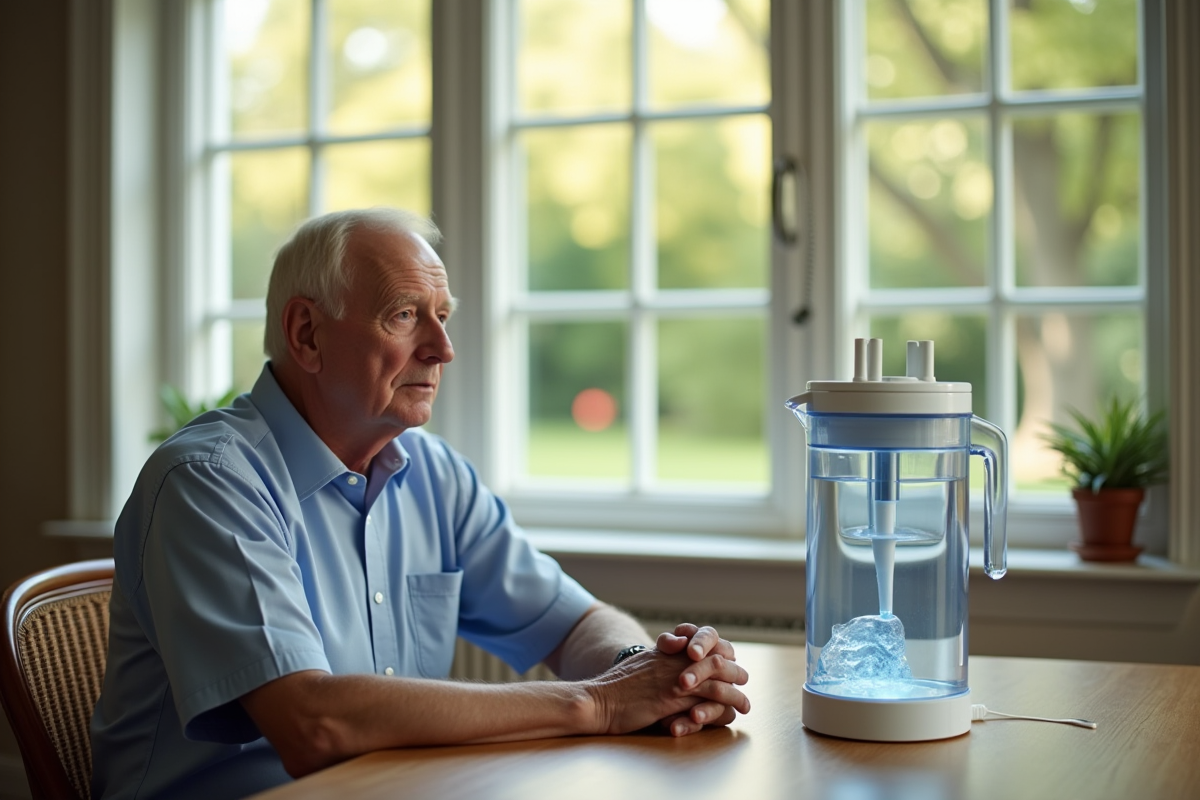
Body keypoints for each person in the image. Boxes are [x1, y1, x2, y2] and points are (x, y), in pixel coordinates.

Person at [90, 208, 751, 799]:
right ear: (307, 334)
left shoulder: (433, 473)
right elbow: (311, 723)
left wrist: (660, 679)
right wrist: (598, 703)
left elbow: (576, 624)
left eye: (443, 315)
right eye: (406, 315)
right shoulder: (207, 481)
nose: (443, 348)